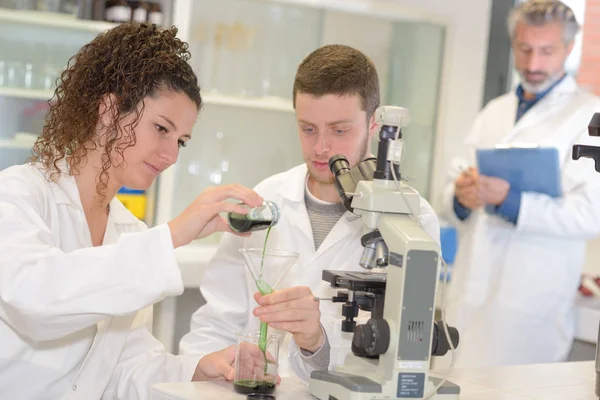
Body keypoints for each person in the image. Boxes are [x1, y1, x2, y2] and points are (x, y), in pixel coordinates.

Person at [0, 22, 266, 399]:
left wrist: (196, 369)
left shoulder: (130, 231)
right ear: (109, 110)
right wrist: (174, 235)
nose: (171, 155)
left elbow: (127, 368)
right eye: (161, 128)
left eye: (182, 142)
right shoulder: (17, 195)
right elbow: (35, 302)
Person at [179, 44, 441, 381]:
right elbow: (215, 322)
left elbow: (409, 352)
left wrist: (317, 341)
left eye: (339, 130)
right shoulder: (266, 199)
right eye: (308, 128)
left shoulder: (412, 221)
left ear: (374, 124)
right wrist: (215, 368)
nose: (321, 148)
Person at [443, 0, 600, 368]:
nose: (533, 64)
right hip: (469, 296)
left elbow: (591, 214)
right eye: (525, 49)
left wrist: (511, 201)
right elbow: (451, 188)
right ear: (513, 43)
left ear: (569, 48)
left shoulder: (589, 117)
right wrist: (461, 197)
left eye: (547, 51)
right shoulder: (494, 111)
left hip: (530, 314)